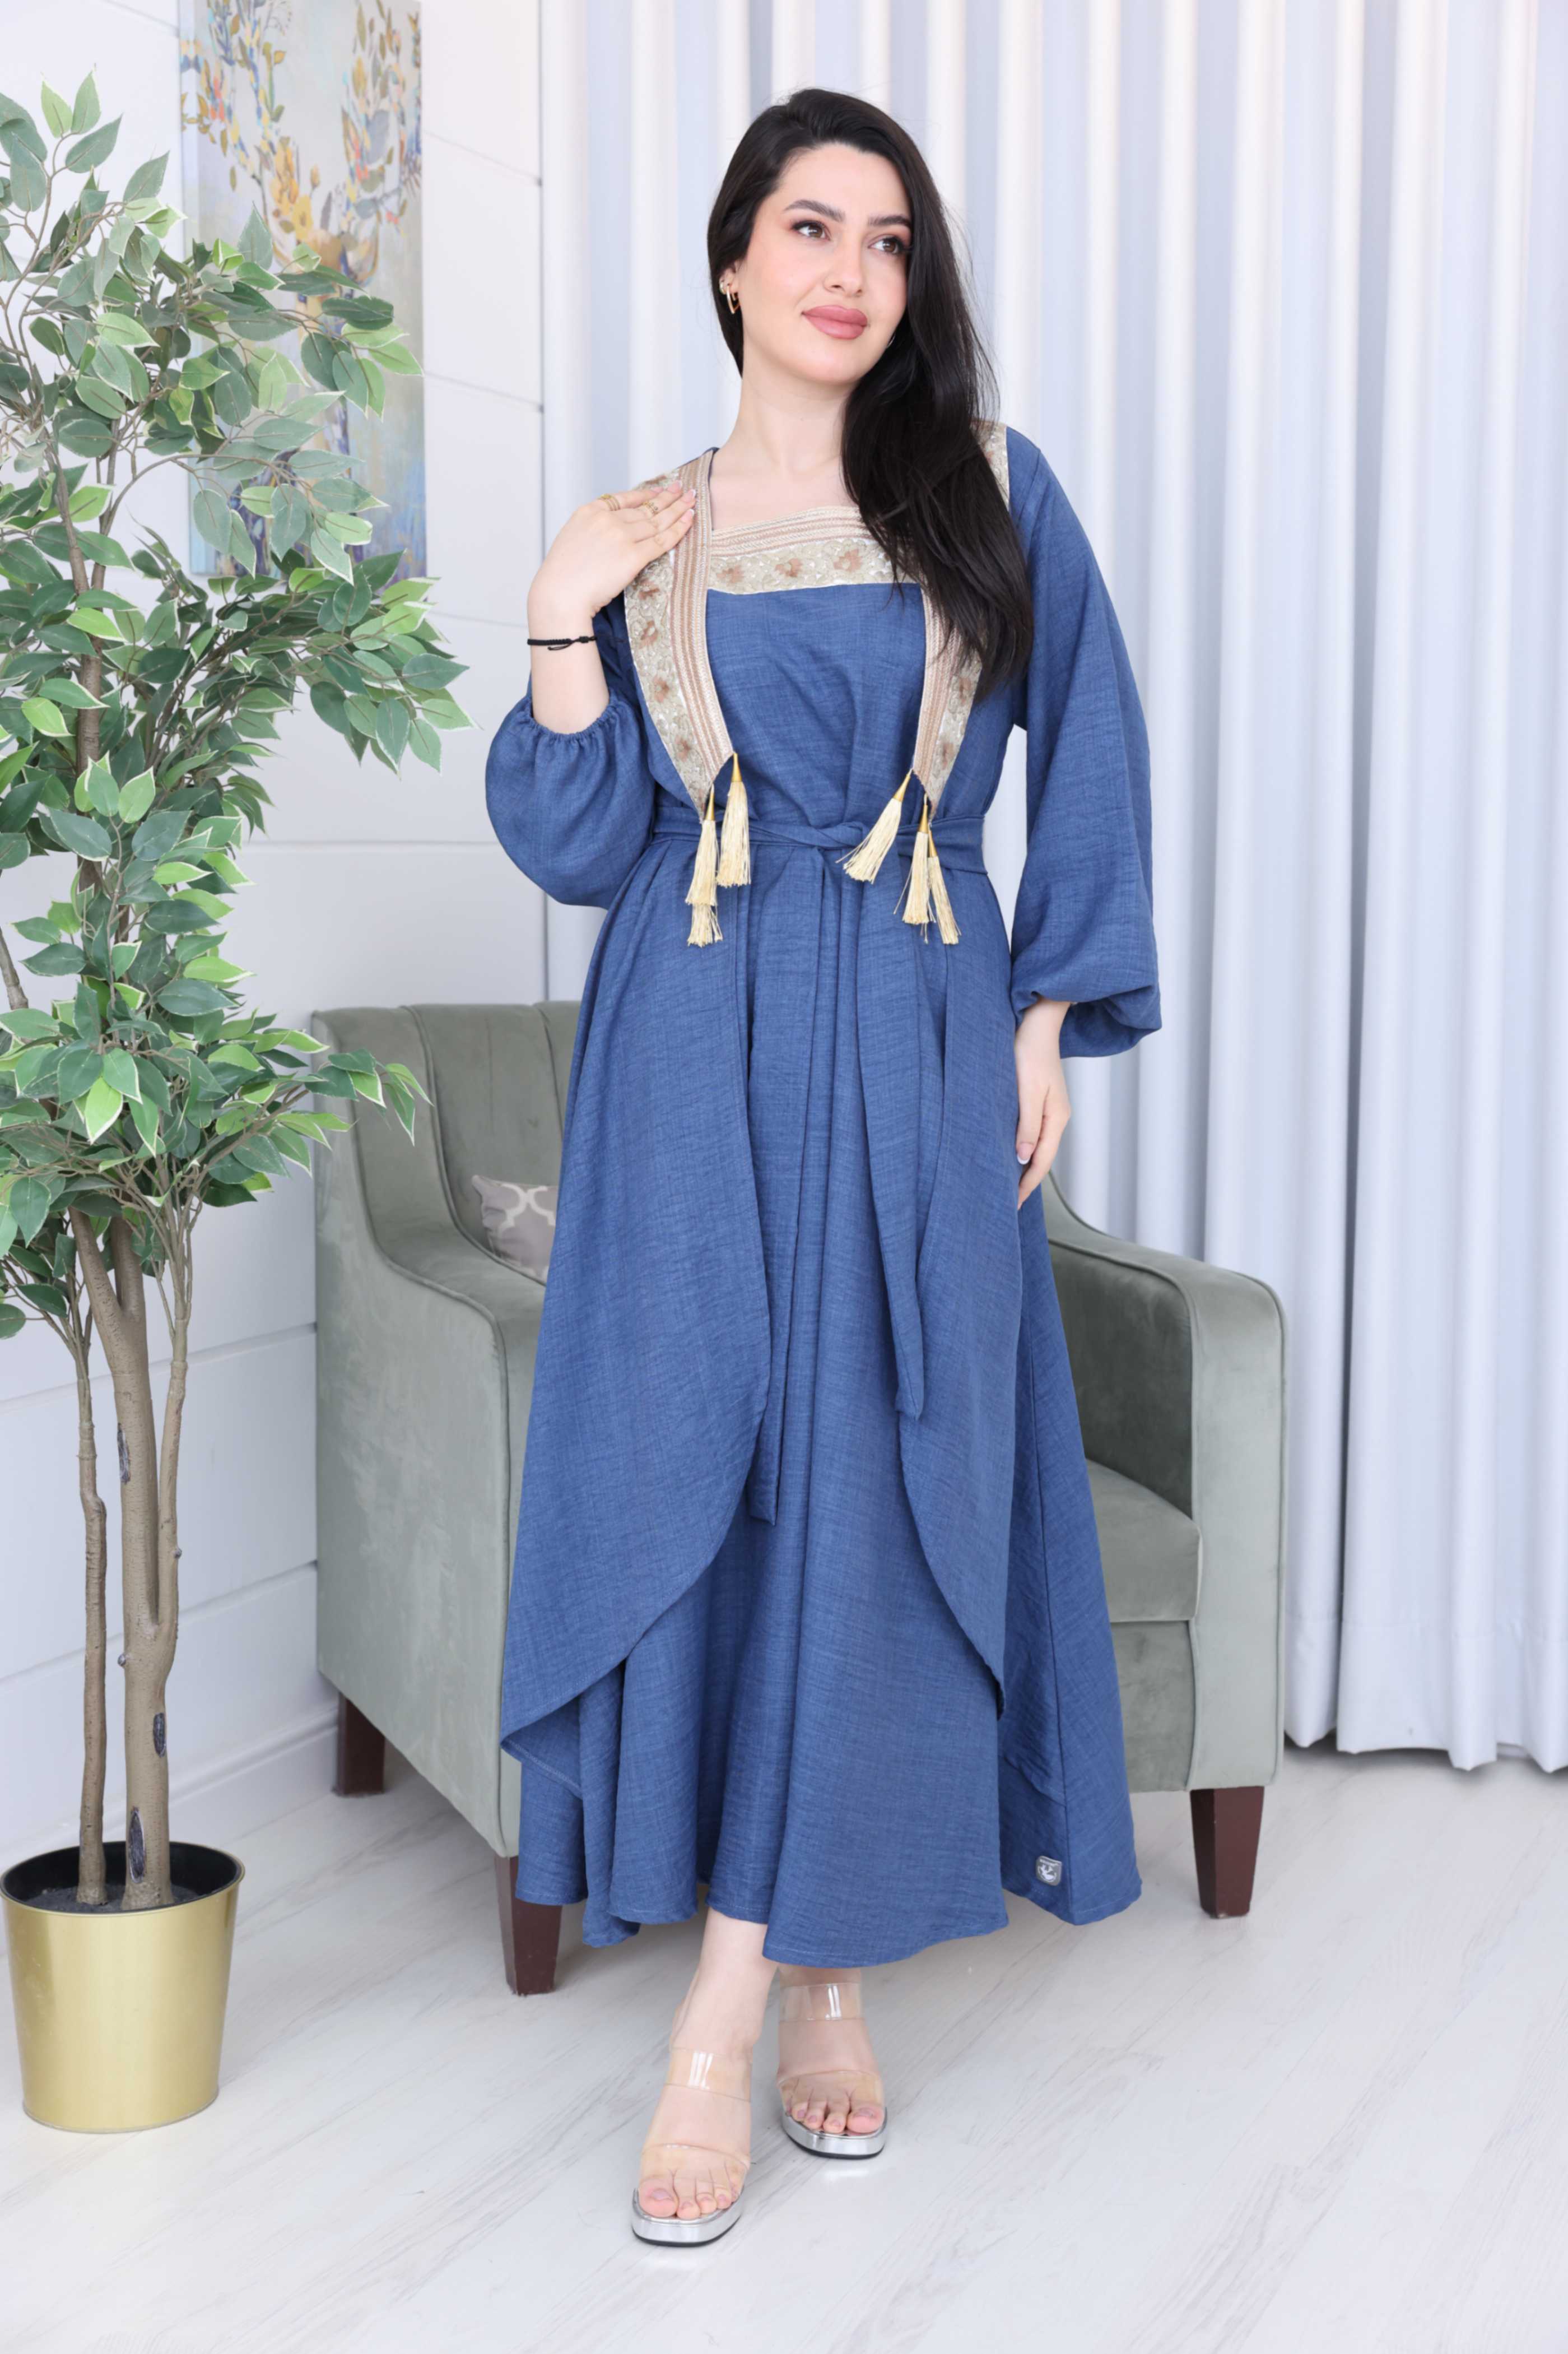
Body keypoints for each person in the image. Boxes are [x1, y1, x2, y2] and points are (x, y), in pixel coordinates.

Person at [484, 86, 1161, 2245]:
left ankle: (758, 2001)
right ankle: (809, 1970)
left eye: (886, 239)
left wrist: (1048, 1014)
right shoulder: (651, 526)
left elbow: (1097, 739)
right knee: (722, 1463)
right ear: (732, 263)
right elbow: (584, 839)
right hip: (691, 1047)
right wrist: (558, 616)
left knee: (881, 1471)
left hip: (925, 1025)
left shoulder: (990, 490)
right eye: (809, 229)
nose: (852, 272)